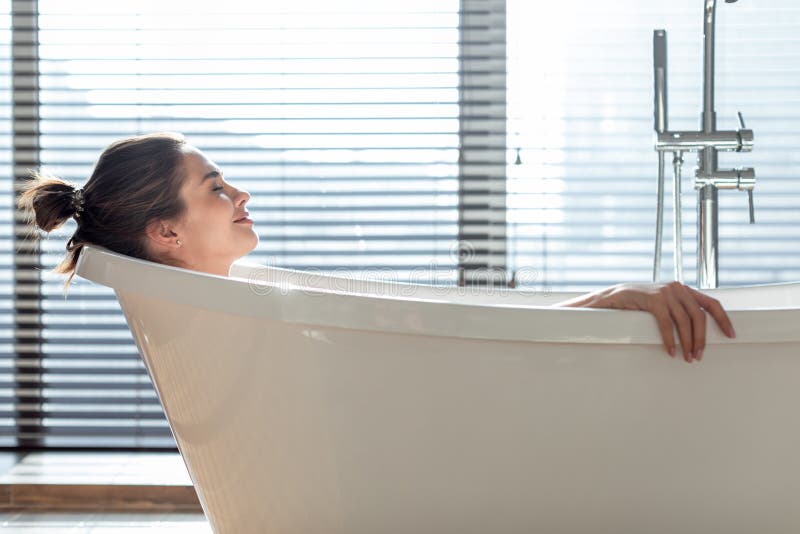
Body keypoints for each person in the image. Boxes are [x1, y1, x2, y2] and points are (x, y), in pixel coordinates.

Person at [18, 132, 735, 363]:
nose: (241, 197)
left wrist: (602, 304)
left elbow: (447, 344)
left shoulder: (245, 312)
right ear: (166, 232)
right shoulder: (246, 323)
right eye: (215, 188)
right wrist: (608, 304)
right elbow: (459, 354)